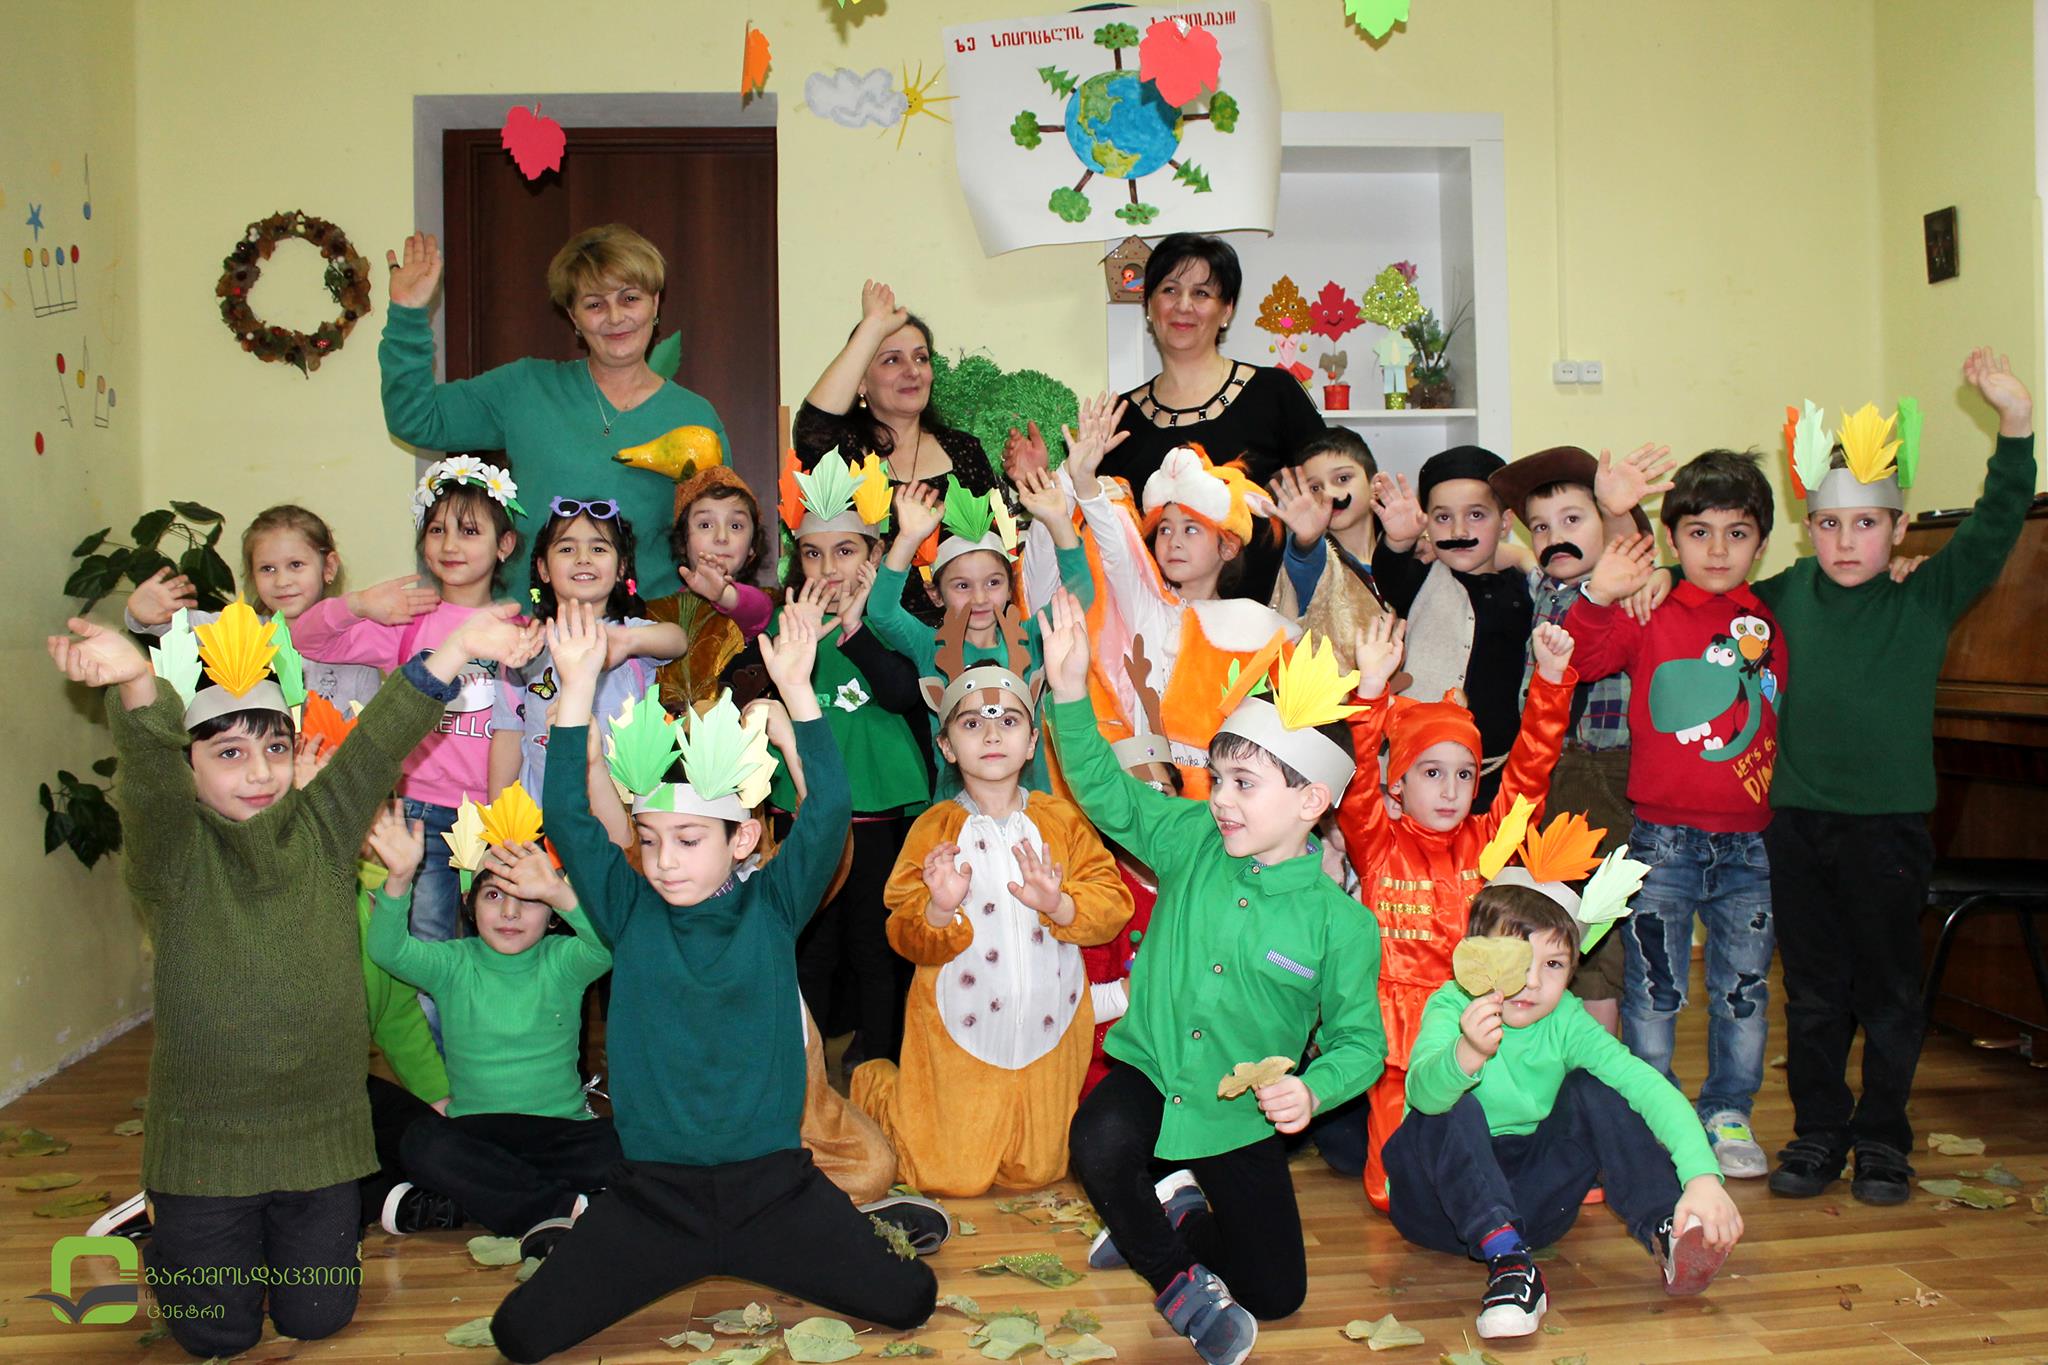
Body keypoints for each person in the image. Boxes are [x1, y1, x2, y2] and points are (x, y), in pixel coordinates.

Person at [45, 599, 539, 1359]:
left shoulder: (323, 827)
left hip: (319, 1144)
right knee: (217, 1332)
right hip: (207, 1149)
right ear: (188, 765)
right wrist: (139, 685)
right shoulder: (173, 855)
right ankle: (164, 1232)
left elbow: (380, 740)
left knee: (317, 1317)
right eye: (230, 753)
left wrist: (461, 644)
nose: (261, 772)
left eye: (276, 746)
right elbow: (147, 787)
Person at [490, 601, 938, 1363]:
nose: (664, 859)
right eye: (651, 838)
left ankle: (859, 1221)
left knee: (911, 1299)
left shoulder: (774, 904)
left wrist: (799, 692)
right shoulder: (628, 908)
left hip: (776, 1192)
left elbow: (829, 809)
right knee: (517, 1335)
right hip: (653, 1200)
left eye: (689, 839)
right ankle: (587, 1230)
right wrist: (575, 686)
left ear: (742, 838)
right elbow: (566, 813)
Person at [1046, 590, 1385, 1365]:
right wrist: (1068, 693)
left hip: (1238, 1116)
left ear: (1311, 800)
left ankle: (1165, 1217)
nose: (1221, 798)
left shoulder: (1342, 924)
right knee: (1097, 1140)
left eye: (1244, 783)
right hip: (1152, 1068)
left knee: (1277, 1292)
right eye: (1220, 775)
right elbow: (1106, 792)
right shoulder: (1191, 835)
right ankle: (1177, 1284)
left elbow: (1361, 1042)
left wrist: (1314, 1089)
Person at [1755, 351, 2034, 1203]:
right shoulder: (1784, 595)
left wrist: (2015, 422)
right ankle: (1817, 1132)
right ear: (1808, 527)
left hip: (1887, 833)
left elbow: (1997, 523)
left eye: (1867, 524)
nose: (1846, 541)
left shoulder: (1927, 595)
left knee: (1887, 994)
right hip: (1796, 826)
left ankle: (1882, 1139)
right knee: (1813, 995)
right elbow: (1706, 597)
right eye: (1829, 524)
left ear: (1901, 528)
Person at [1387, 867, 1743, 1341]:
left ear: (1573, 970)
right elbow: (1422, 1094)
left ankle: (1668, 1228)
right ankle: (1510, 1265)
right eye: (1517, 958)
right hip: (1436, 1206)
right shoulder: (1452, 1005)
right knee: (1450, 1100)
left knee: (1596, 1088)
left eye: (1553, 964)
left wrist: (1702, 1177)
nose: (1532, 982)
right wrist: (1466, 1053)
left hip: (1532, 1206)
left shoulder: (1568, 1020)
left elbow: (1647, 1086)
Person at [1565, 449, 1786, 1180]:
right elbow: (1586, 659)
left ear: (1762, 542)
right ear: (1672, 538)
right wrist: (1604, 591)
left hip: (1750, 847)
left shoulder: (1772, 619)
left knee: (1742, 991)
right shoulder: (1650, 608)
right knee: (1654, 989)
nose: (1717, 550)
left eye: (1737, 533)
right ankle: (1652, 1110)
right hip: (1663, 841)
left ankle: (1727, 1111)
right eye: (1698, 532)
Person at [851, 650, 1132, 1196]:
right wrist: (939, 907)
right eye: (972, 724)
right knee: (948, 1177)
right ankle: (881, 1089)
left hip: (1051, 1026)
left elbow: (1111, 903)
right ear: (947, 746)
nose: (992, 735)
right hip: (961, 1025)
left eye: (1008, 721)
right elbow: (902, 932)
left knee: (1040, 1172)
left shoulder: (1063, 820)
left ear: (1031, 743)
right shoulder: (934, 828)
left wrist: (1060, 904)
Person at [1339, 610, 1578, 1211]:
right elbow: (1357, 778)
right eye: (1431, 772)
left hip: (1480, 1015)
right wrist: (1370, 691)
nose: (1450, 791)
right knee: (1393, 1192)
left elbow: (1529, 775)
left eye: (1465, 774)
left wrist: (1550, 683)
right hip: (1396, 1024)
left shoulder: (1491, 843)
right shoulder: (1377, 843)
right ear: (1398, 784)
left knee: (1486, 1136)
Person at [292, 458, 529, 1036]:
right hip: (419, 812)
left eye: (469, 531)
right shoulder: (408, 618)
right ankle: (442, 1076)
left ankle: (496, 1064)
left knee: (499, 950)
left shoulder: (520, 628)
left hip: (496, 817)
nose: (449, 544)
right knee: (426, 951)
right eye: (437, 529)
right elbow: (304, 638)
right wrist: (358, 604)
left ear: (505, 545)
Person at [380, 225, 730, 599]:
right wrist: (408, 313)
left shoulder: (695, 417)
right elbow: (417, 417)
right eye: (594, 305)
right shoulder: (525, 388)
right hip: (528, 626)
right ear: (573, 317)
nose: (615, 317)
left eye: (630, 298)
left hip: (647, 629)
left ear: (655, 303)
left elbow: (723, 533)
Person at [736, 452, 931, 1067]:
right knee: (811, 945)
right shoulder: (783, 625)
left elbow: (902, 694)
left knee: (874, 946)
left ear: (875, 556)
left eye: (845, 551)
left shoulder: (891, 623)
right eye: (813, 554)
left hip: (876, 811)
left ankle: (879, 1065)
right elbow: (750, 698)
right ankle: (806, 1068)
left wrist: (854, 627)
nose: (828, 567)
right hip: (802, 807)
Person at [366, 791, 617, 1257]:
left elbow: (609, 943)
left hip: (560, 1132)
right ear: (469, 900)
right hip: (477, 1132)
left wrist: (559, 891)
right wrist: (399, 879)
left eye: (529, 899)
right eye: (494, 895)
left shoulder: (563, 961)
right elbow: (388, 950)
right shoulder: (453, 963)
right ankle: (557, 1206)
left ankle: (482, 1197)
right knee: (422, 1142)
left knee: (629, 1144)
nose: (509, 913)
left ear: (552, 912)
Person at [1486, 444, 1676, 1035]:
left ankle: (1597, 1058)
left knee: (1598, 930)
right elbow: (1511, 552)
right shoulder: (1543, 582)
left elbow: (1632, 554)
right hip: (1545, 772)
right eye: (1542, 526)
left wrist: (1621, 514)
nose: (1555, 537)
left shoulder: (1622, 585)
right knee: (1542, 914)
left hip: (1607, 771)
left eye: (1573, 519)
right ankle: (1544, 1046)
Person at [1066, 233, 1325, 603]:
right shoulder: (1118, 418)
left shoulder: (1274, 393)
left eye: (1202, 293)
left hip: (1266, 621)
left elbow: (1329, 492)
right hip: (1152, 627)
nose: (1183, 306)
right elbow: (1099, 535)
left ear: (1227, 310)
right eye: (1170, 290)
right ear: (1149, 305)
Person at [1064, 403, 1301, 798]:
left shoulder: (1254, 626)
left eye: (1191, 529)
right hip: (1144, 792)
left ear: (1227, 547)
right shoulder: (1146, 603)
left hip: (1220, 797)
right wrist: (1086, 483)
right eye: (1165, 530)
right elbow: (1115, 549)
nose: (1173, 541)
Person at [867, 471, 1096, 796]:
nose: (980, 598)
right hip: (956, 812)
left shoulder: (1033, 636)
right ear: (935, 594)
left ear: (1010, 586)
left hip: (1031, 808)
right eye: (962, 586)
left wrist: (1059, 521)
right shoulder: (929, 645)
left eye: (993, 582)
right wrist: (908, 538)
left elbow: (1080, 591)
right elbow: (881, 611)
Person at [796, 280, 1000, 622]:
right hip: (862, 632)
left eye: (921, 358)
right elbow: (812, 426)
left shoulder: (964, 450)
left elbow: (992, 556)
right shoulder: (841, 453)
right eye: (892, 360)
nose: (912, 371)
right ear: (861, 382)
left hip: (950, 639)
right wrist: (873, 326)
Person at [1370, 446, 1534, 808]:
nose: (1459, 530)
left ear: (1505, 522)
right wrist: (1399, 541)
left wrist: (1524, 557)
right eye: (1442, 517)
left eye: (1476, 515)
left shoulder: (1525, 590)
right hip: (1420, 781)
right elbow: (1389, 572)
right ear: (1427, 523)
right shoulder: (1420, 577)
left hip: (1500, 778)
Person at [489, 497, 683, 800]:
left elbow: (677, 640)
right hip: (542, 814)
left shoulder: (628, 635)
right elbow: (508, 734)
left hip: (622, 812)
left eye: (599, 549)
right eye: (567, 549)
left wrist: (627, 641)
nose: (583, 558)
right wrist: (498, 817)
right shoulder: (526, 645)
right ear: (543, 568)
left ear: (621, 568)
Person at [123, 504, 383, 715]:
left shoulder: (359, 649)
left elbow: (372, 739)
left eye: (295, 565)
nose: (282, 581)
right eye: (267, 569)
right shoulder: (244, 630)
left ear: (329, 567)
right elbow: (180, 626)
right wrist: (144, 616)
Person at [646, 464, 777, 715]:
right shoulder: (655, 612)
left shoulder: (758, 603)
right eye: (705, 525)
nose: (721, 537)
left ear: (752, 546)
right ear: (683, 541)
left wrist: (722, 594)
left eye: (736, 526)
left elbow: (755, 609)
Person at [1267, 428, 1391, 670]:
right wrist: (1306, 540)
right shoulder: (1317, 560)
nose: (1330, 493)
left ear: (1374, 484)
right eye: (1315, 488)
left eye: (1343, 479)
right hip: (1334, 694)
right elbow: (1303, 557)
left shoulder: (1404, 555)